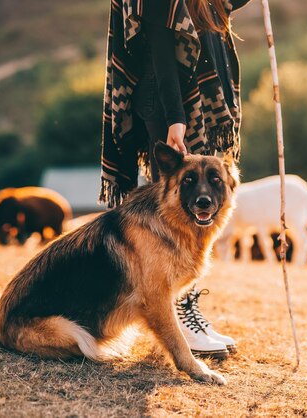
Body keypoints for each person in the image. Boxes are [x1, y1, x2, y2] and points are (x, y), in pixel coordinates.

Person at [100, 0, 251, 359]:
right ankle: (179, 318)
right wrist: (175, 117)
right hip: (169, 99)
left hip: (199, 96)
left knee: (195, 220)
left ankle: (184, 310)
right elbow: (159, 46)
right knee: (174, 217)